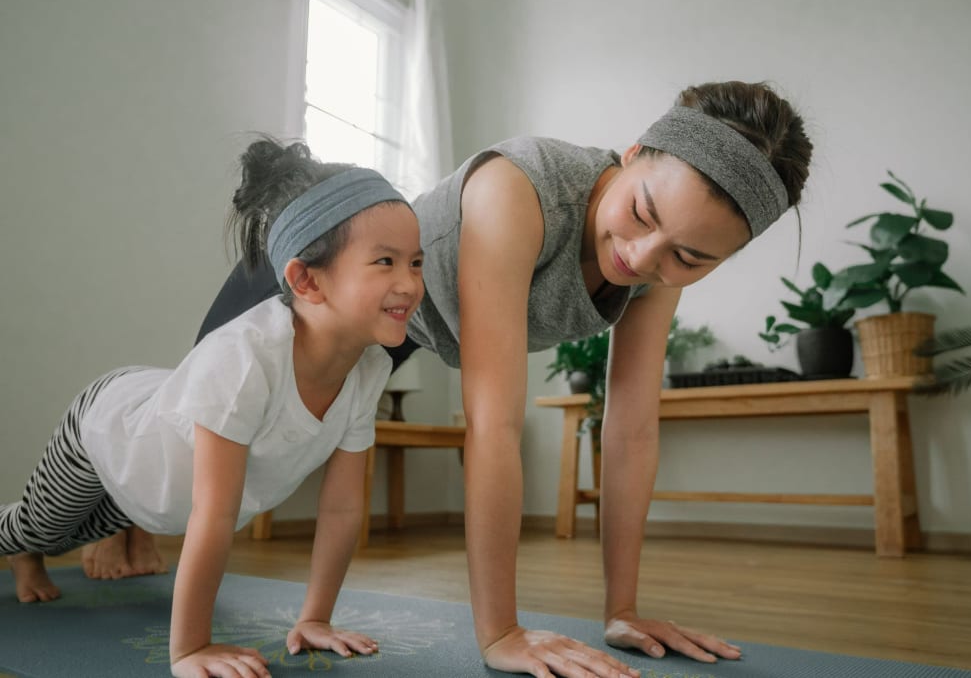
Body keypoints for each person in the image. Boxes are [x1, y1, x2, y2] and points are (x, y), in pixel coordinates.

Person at [100, 80, 813, 677]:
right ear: (632, 156)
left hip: (400, 326)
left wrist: (621, 611)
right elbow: (495, 422)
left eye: (689, 257)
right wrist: (500, 633)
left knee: (243, 464)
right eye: (641, 214)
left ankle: (133, 525)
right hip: (326, 293)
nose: (642, 256)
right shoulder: (521, 189)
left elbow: (630, 427)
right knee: (183, 438)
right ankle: (114, 514)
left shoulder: (659, 263)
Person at [1, 138, 425, 678]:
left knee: (71, 534)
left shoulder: (368, 372)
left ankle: (33, 549)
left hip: (156, 491)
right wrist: (190, 649)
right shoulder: (247, 358)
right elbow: (214, 513)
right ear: (305, 280)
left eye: (416, 262)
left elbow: (341, 510)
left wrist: (315, 618)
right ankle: (24, 550)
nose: (410, 283)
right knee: (34, 528)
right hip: (107, 431)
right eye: (385, 261)